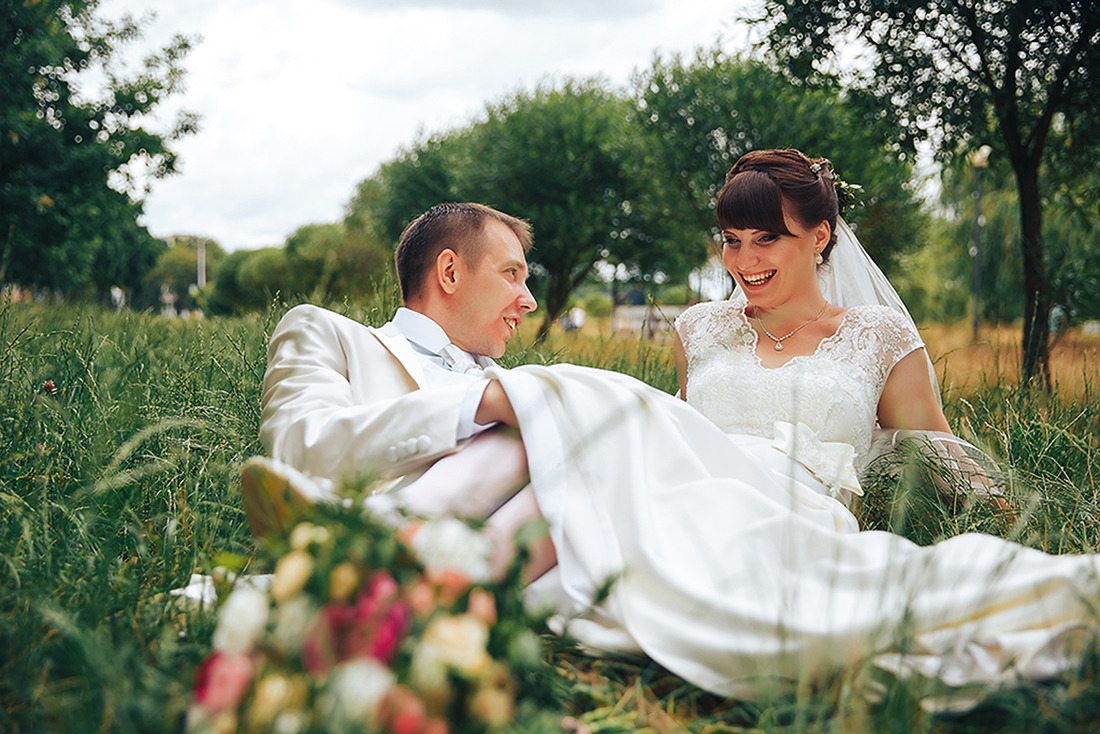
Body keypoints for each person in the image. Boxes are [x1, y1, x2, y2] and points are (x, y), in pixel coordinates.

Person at [247, 201, 552, 577]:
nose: (530, 300)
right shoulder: (327, 333)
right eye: (511, 274)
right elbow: (300, 448)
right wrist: (478, 405)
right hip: (343, 573)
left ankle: (434, 581)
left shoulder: (516, 387)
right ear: (450, 273)